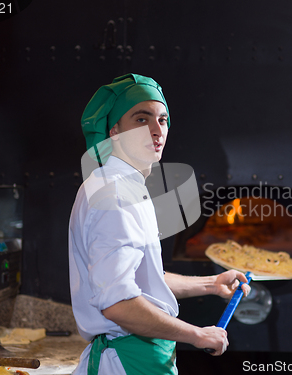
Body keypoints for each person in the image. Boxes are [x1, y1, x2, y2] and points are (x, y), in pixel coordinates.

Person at [69, 73, 250, 375]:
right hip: (128, 361)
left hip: (142, 357)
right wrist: (197, 334)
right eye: (142, 119)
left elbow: (140, 282)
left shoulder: (124, 187)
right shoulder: (113, 194)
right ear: (115, 132)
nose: (157, 130)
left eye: (163, 120)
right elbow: (118, 303)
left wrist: (210, 284)